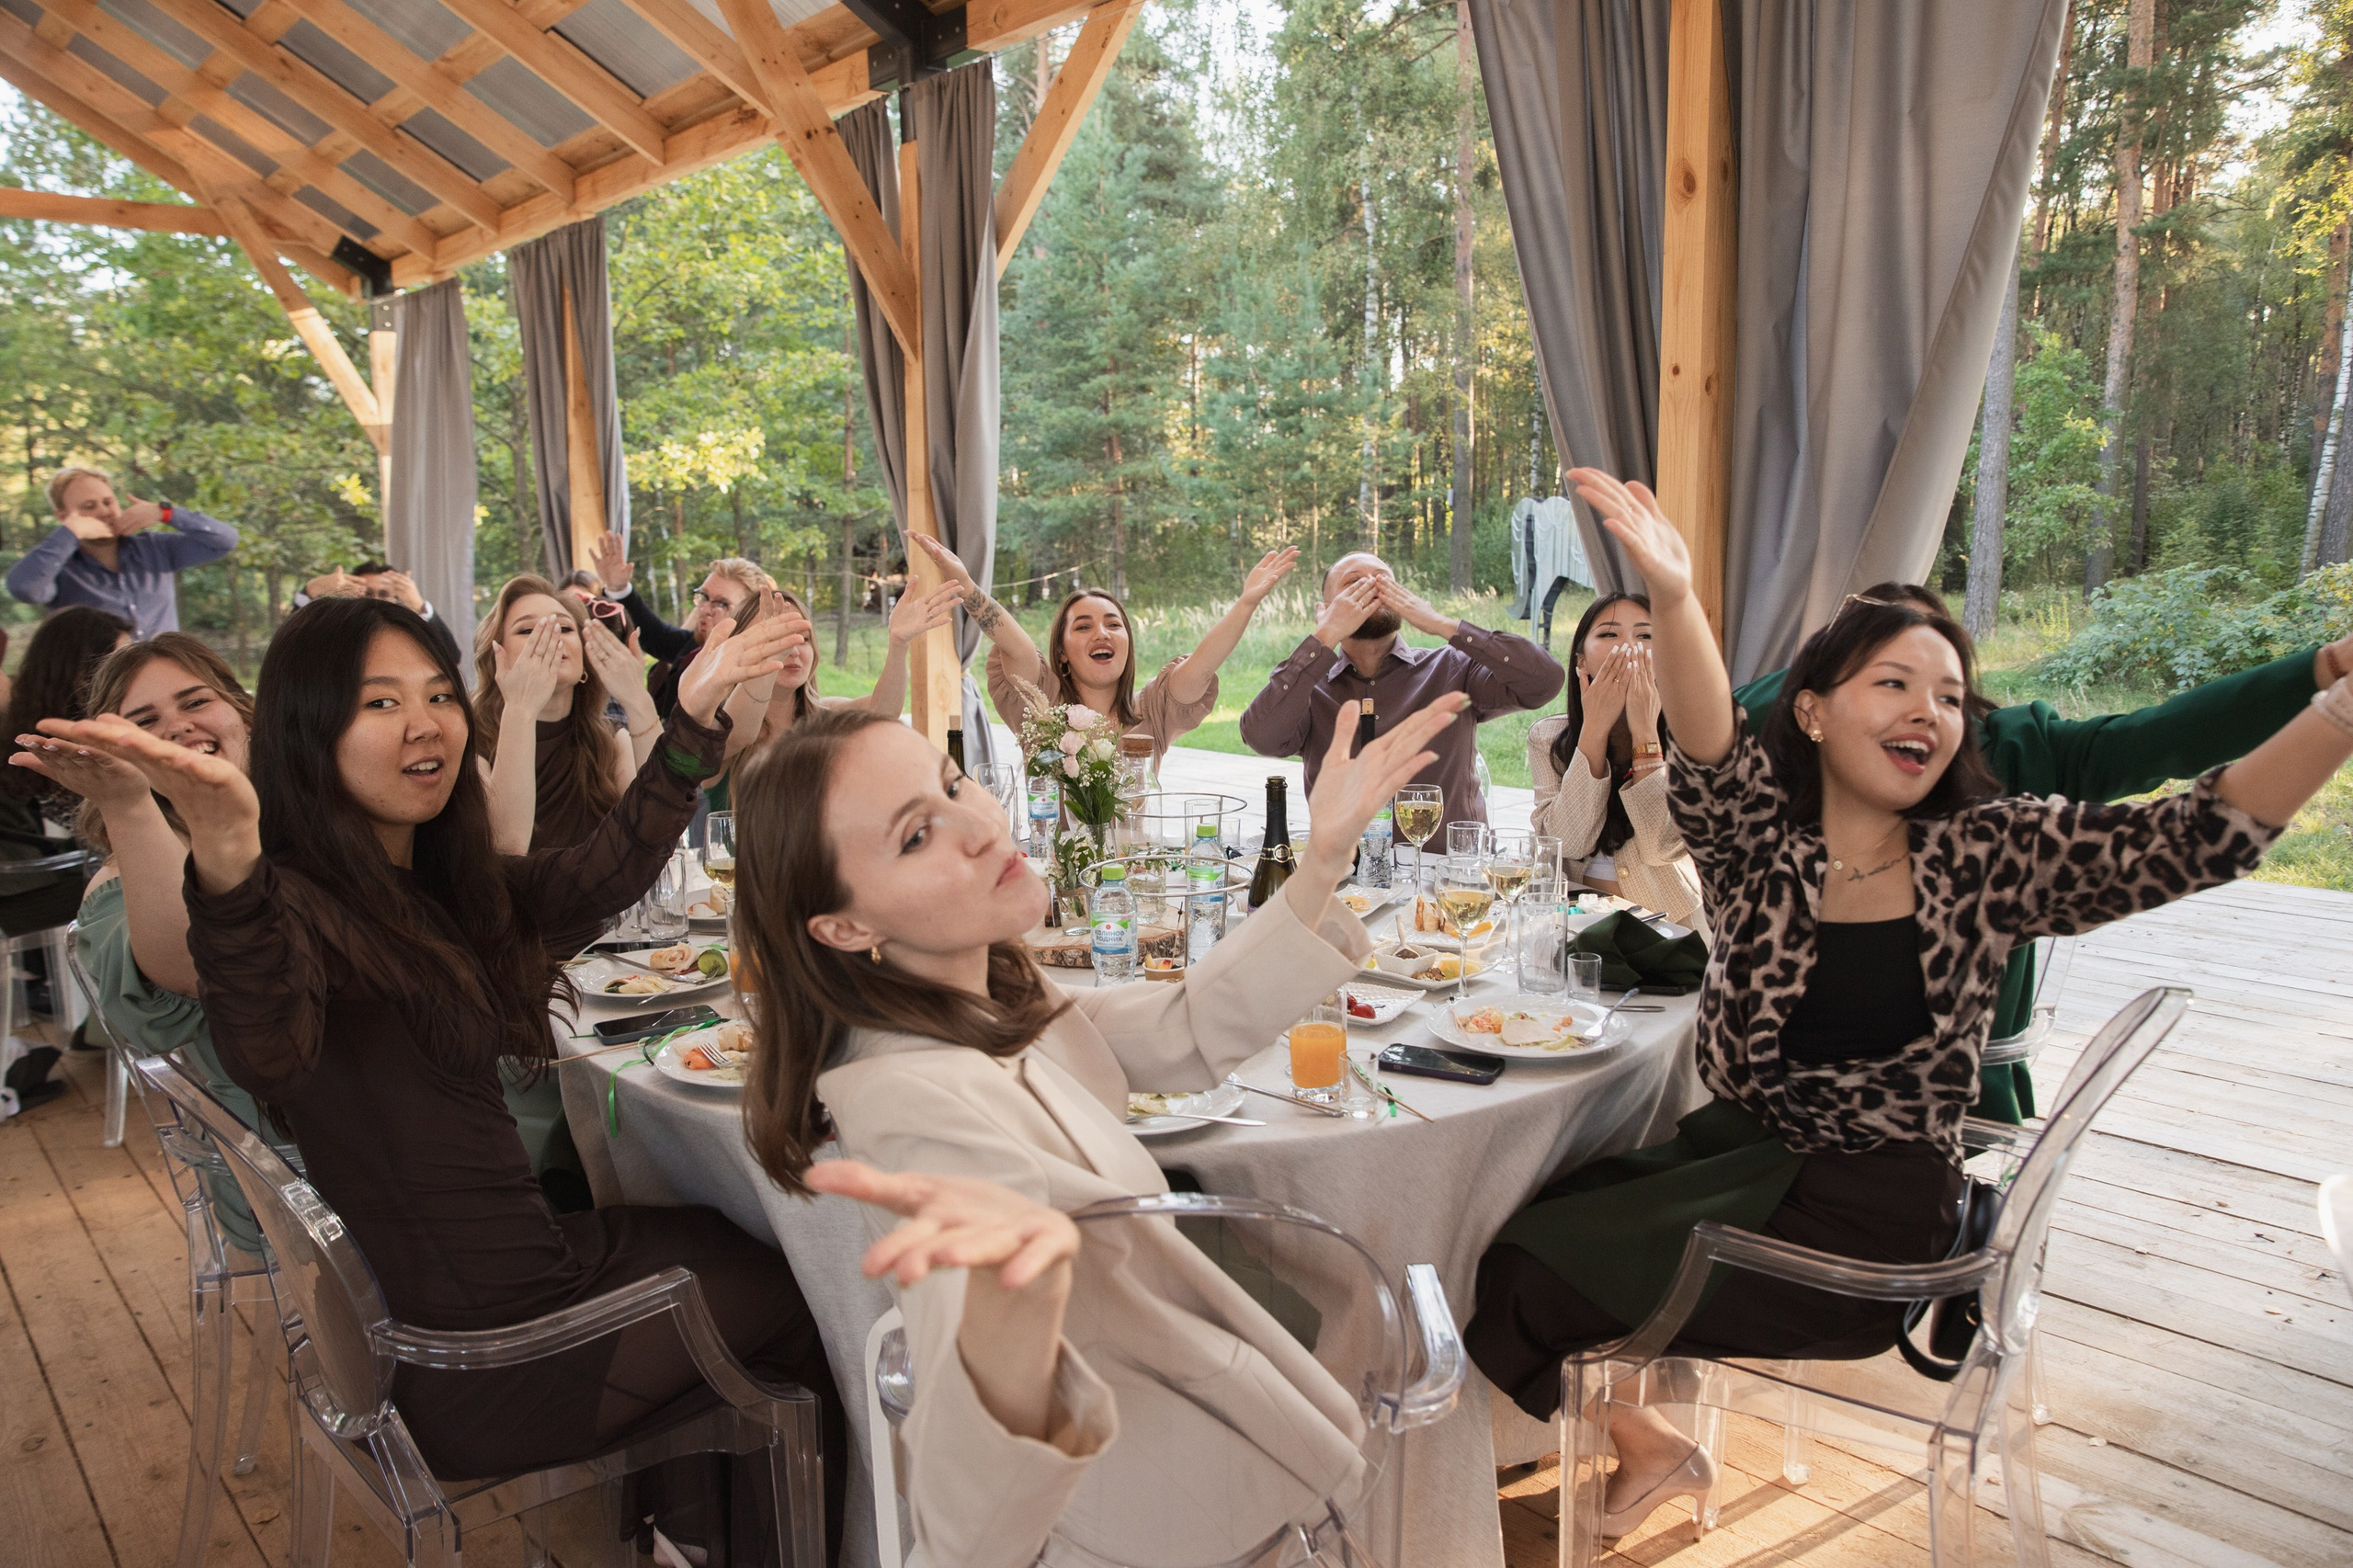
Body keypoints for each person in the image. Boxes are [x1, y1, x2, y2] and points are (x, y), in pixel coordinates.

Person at [1463, 470, 2353, 1540]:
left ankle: (1644, 1445)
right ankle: (1656, 1446)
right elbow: (1704, 744)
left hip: (1873, 1217)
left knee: (1526, 1273)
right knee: (1516, 1235)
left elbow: (2197, 833)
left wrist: (2339, 707)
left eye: (1946, 693)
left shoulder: (1990, 854)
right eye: (1892, 683)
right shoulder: (1760, 845)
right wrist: (1679, 598)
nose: (1926, 710)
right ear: (1812, 710)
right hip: (1742, 1160)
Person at [34, 596, 846, 1553]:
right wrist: (224, 851)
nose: (423, 722)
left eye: (436, 693)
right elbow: (265, 1046)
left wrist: (693, 717)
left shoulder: (406, 879)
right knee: (815, 1290)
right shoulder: (291, 898)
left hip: (496, 1293)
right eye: (378, 703)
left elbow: (595, 878)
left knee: (728, 1234)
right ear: (307, 731)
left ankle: (685, 1539)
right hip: (492, 1355)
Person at [728, 688, 1467, 1566]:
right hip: (1148, 1516)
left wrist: (1321, 864)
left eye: (957, 785)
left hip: (1209, 1474)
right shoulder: (901, 1102)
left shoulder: (988, 987)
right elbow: (967, 1510)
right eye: (915, 836)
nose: (977, 826)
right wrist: (1006, 1324)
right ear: (845, 926)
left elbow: (1181, 1030)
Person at [1735, 588, 2353, 1120]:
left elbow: (2169, 757)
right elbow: (1727, 723)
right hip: (1777, 1108)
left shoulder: (2011, 771)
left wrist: (2325, 680)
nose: (1915, 704)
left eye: (1938, 680)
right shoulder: (1790, 772)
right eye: (1887, 674)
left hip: (1935, 1122)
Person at [911, 533, 1302, 766]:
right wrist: (966, 585)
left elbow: (1201, 666)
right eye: (1083, 626)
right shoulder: (1040, 705)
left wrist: (1246, 602)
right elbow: (1014, 643)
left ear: (1127, 644)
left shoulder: (1154, 712)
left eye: (1113, 624)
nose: (1102, 633)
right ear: (1061, 652)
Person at [1240, 551, 1563, 825]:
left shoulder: (1453, 667)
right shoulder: (1307, 685)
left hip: (1446, 877)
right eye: (1354, 583)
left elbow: (1543, 682)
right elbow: (1261, 737)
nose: (1371, 589)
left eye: (1383, 582)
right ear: (1324, 610)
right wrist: (1323, 637)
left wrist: (1441, 624)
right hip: (1343, 878)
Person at [1527, 593, 1704, 931]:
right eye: (1610, 635)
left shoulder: (1692, 737)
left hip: (1667, 926)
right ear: (1581, 661)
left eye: (1645, 636)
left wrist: (1644, 732)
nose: (1629, 648)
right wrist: (1594, 729)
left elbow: (1662, 848)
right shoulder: (1548, 737)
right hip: (1575, 924)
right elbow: (1569, 843)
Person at [699, 582, 958, 813]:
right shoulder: (716, 728)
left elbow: (884, 712)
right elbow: (737, 733)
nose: (793, 650)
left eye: (803, 638)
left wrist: (898, 642)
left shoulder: (825, 717)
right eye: (774, 638)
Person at [471, 576, 656, 854]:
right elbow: (507, 845)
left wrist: (637, 700)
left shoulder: (610, 738)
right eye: (527, 630)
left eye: (564, 627)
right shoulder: (471, 740)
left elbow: (657, 825)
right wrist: (520, 707)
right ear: (498, 657)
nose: (550, 637)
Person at [8, 467, 238, 637]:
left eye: (108, 502)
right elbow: (25, 589)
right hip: (99, 692)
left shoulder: (154, 547)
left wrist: (165, 513)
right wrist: (69, 533)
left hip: (165, 677)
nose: (104, 512)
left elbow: (224, 541)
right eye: (89, 507)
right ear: (63, 517)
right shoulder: (58, 568)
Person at [586, 538, 771, 719]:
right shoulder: (694, 646)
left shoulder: (755, 672)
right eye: (704, 596)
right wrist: (618, 588)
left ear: (750, 613)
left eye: (721, 603)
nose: (705, 609)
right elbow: (655, 636)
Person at [299, 563, 464, 668]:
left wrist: (419, 606)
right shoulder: (333, 631)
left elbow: (451, 658)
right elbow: (298, 653)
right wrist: (310, 591)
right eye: (367, 593)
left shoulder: (407, 633)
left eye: (384, 594)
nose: (376, 601)